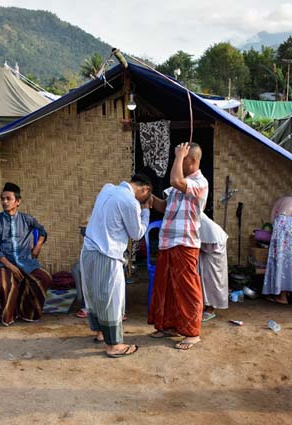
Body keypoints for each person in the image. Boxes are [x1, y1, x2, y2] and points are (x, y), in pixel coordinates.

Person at [80, 173, 153, 357]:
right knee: (112, 299)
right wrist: (146, 212)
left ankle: (100, 333)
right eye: (148, 195)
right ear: (144, 189)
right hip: (107, 254)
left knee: (95, 295)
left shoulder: (107, 189)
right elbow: (136, 233)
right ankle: (114, 346)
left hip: (88, 251)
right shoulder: (130, 202)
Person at [148, 142, 209, 350]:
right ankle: (170, 325)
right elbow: (164, 207)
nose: (179, 161)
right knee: (167, 288)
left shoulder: (200, 182)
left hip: (185, 242)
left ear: (191, 161)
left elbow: (175, 180)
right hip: (168, 242)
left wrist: (178, 155)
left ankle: (192, 333)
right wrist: (147, 195)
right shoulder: (178, 186)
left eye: (183, 158)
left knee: (187, 288)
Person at [0, 182, 52, 325]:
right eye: (2, 199)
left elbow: (42, 231)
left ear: (17, 201)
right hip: (3, 262)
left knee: (44, 278)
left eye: (8, 199)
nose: (4, 202)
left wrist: (37, 246)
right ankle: (10, 313)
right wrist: (11, 267)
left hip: (24, 261)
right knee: (3, 285)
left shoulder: (27, 219)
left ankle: (27, 311)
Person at [198, 212, 229, 321]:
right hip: (207, 252)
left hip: (214, 254)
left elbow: (211, 244)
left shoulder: (208, 227)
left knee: (213, 281)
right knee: (204, 280)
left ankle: (211, 308)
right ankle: (205, 305)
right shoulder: (199, 221)